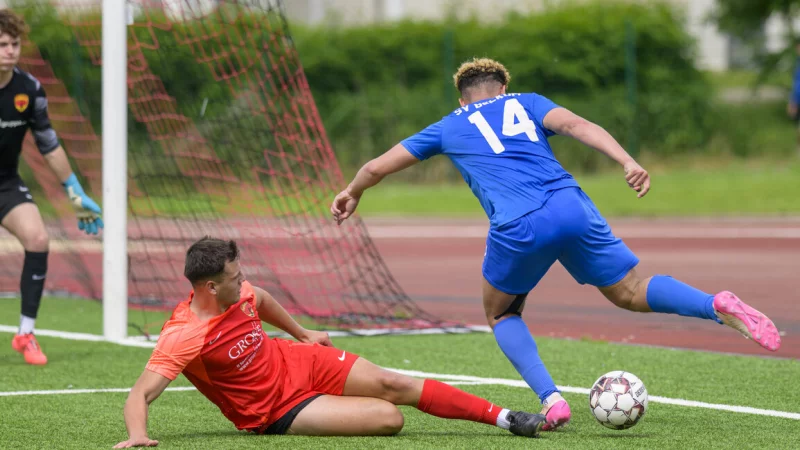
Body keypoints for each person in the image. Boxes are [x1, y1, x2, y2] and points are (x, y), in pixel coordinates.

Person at [331, 57, 782, 431]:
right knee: (629, 290)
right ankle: (714, 303)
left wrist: (352, 191)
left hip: (518, 225)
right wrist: (627, 161)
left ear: (461, 98)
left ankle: (552, 399)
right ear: (503, 87)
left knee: (501, 311)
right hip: (571, 205)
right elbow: (578, 125)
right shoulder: (526, 103)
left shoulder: (447, 127)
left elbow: (375, 167)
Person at [113, 237, 545, 448]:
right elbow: (140, 393)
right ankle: (326, 403)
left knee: (395, 383)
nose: (243, 281)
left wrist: (301, 334)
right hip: (274, 409)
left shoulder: (239, 291)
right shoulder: (184, 334)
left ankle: (507, 418)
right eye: (234, 277)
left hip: (298, 361)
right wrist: (137, 436)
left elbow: (260, 299)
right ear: (209, 286)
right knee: (388, 418)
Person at [0, 9, 102, 366]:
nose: (9, 50)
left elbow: (48, 144)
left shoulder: (29, 89)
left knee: (39, 239)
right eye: (2, 44)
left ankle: (26, 334)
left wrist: (74, 190)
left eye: (14, 44)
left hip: (6, 185)